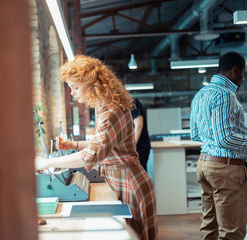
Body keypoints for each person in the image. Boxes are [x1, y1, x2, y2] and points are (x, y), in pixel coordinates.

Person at [35, 55, 158, 240]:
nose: (73, 93)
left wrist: (46, 163)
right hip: (124, 178)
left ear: (92, 83)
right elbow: (105, 144)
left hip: (129, 183)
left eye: (75, 87)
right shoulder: (104, 106)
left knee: (136, 236)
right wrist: (74, 145)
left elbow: (92, 155)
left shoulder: (110, 111)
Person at [190, 51, 247, 240]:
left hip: (205, 165)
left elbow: (195, 134)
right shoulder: (225, 95)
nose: (243, 79)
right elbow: (225, 139)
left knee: (209, 228)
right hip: (226, 170)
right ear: (235, 70)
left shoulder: (200, 94)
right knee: (232, 232)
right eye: (244, 74)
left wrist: (236, 132)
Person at [131, 98, 151, 171]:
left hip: (139, 147)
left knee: (139, 176)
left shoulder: (132, 102)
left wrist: (131, 147)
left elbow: (139, 125)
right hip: (135, 148)